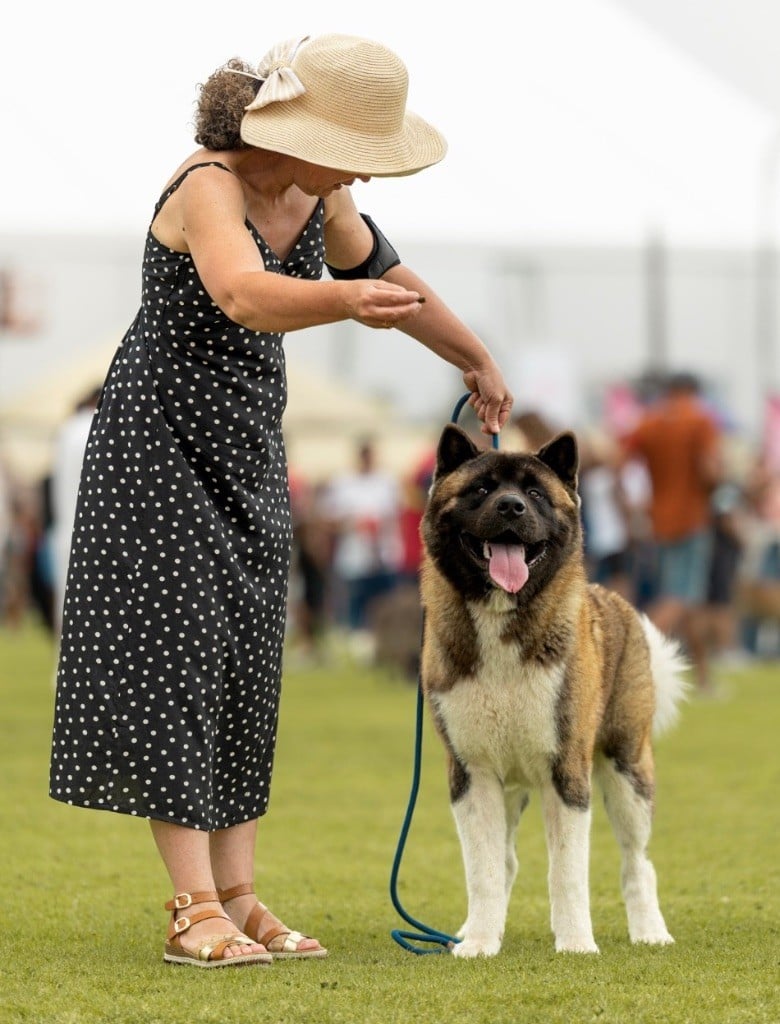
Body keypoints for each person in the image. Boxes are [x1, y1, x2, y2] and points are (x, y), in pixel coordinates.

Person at [48, 33, 513, 969]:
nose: (365, 177)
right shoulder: (206, 184)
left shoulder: (321, 194)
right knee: (178, 664)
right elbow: (241, 293)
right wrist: (342, 302)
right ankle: (192, 908)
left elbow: (390, 278)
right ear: (302, 132)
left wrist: (474, 357)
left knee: (248, 665)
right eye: (357, 153)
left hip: (249, 447)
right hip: (159, 448)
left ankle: (240, 898)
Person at [620, 371, 723, 693]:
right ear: (693, 391)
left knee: (688, 600)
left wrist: (628, 507)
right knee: (679, 598)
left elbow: (619, 461)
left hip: (658, 520)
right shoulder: (700, 420)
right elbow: (710, 471)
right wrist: (717, 485)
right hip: (692, 519)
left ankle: (704, 679)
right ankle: (629, 657)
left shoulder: (649, 422)